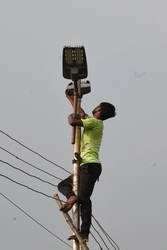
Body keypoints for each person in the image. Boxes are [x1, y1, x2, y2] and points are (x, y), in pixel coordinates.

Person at [58, 90, 116, 242]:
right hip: (84, 166)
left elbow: (73, 121)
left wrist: (71, 116)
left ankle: (84, 233)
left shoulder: (95, 122)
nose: (95, 106)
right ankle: (71, 198)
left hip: (89, 166)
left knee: (84, 198)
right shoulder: (94, 122)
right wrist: (72, 99)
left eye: (97, 106)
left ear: (100, 109)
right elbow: (81, 114)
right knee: (63, 185)